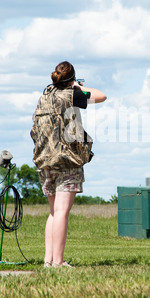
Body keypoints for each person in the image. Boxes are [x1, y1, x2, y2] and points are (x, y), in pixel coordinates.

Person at [31, 61, 107, 268]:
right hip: (67, 161)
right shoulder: (72, 94)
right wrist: (78, 87)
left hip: (45, 160)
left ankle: (48, 260)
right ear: (71, 79)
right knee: (62, 212)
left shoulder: (44, 97)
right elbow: (101, 96)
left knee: (54, 212)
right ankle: (59, 261)